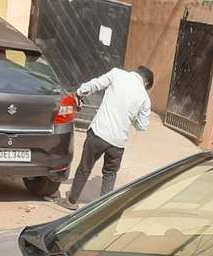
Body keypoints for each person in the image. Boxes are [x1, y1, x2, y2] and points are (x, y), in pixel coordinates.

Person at [65, 66, 154, 208]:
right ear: (147, 84)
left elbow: (95, 84)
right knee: (110, 174)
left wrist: (79, 93)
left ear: (136, 72)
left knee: (85, 167)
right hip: (118, 143)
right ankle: (103, 208)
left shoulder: (117, 74)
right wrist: (132, 117)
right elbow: (142, 126)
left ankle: (71, 201)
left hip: (99, 132)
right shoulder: (145, 98)